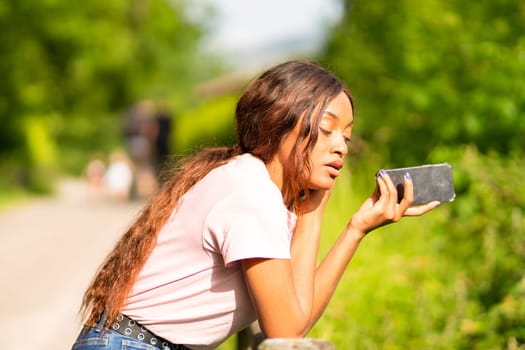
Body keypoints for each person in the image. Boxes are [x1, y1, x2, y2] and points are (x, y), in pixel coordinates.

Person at [71, 60, 439, 350]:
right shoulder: (252, 193)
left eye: (347, 135)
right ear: (280, 122)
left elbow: (295, 316)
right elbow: (287, 331)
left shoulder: (254, 185)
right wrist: (323, 219)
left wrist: (354, 227)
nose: (340, 146)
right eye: (326, 129)